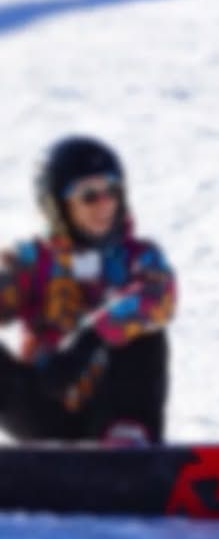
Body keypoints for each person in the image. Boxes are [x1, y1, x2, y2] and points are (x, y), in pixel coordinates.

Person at [0, 136, 176, 444]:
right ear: (57, 205)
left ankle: (124, 439)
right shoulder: (30, 261)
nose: (104, 203)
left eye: (111, 191)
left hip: (114, 408)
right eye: (89, 195)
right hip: (46, 408)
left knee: (144, 328)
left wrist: (93, 335)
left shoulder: (140, 257)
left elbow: (159, 296)